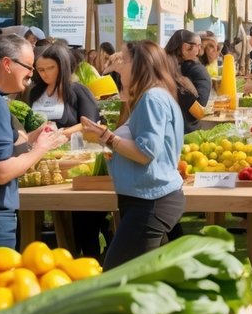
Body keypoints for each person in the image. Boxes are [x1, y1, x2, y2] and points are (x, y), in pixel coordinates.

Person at [80, 42, 186, 269]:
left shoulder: (152, 98)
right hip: (146, 199)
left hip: (151, 201)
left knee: (116, 276)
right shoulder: (150, 95)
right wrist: (105, 139)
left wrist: (108, 138)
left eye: (124, 60)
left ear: (140, 65)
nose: (119, 62)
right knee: (147, 280)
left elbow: (146, 152)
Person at [0, 35, 68, 249]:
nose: (31, 74)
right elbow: (1, 172)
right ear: (7, 64)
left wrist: (30, 141)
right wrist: (41, 148)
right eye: (28, 66)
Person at [164, 29, 213, 134]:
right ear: (186, 47)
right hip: (184, 133)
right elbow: (199, 112)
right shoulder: (197, 70)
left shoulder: (160, 66)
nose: (200, 50)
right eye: (198, 46)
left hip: (167, 129)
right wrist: (183, 88)